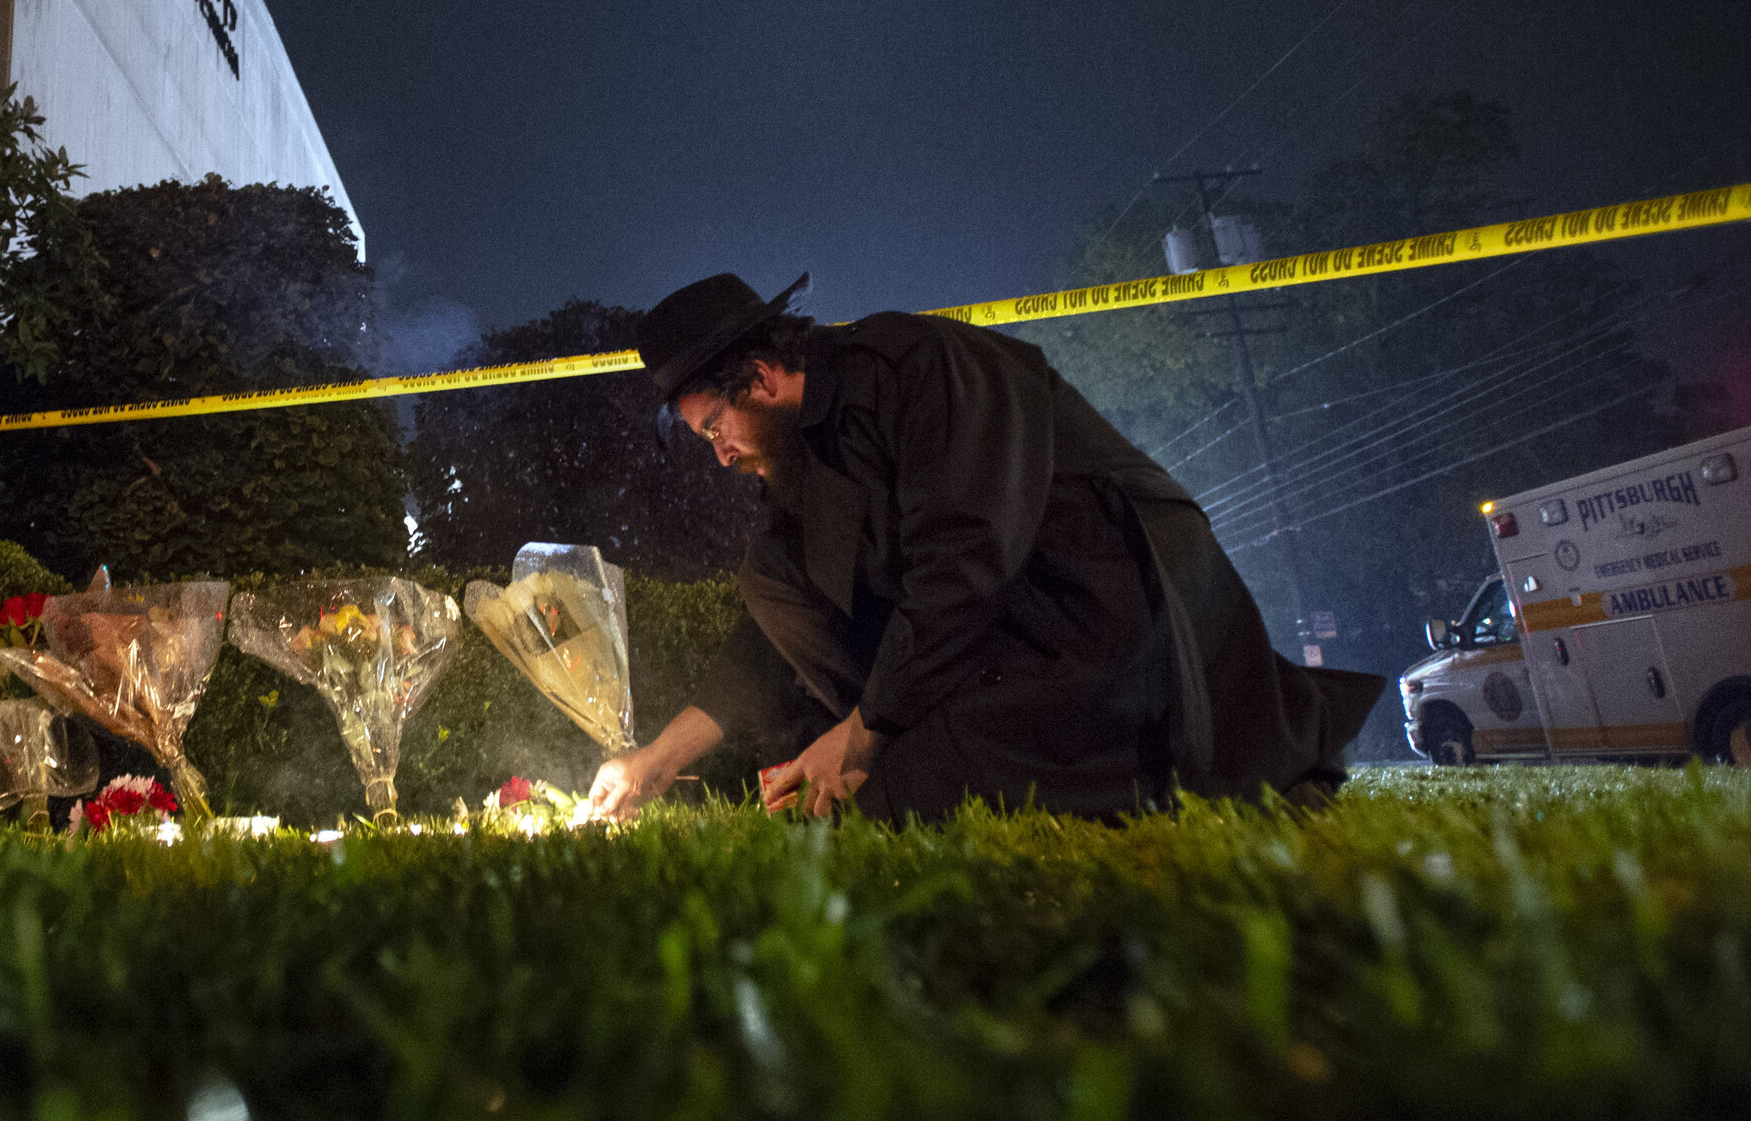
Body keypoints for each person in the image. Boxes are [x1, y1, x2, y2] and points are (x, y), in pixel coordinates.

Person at [588, 273, 1385, 822]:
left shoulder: (916, 369)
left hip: (1106, 617)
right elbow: (769, 638)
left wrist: (863, 733)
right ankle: (928, 751)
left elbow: (965, 563)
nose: (720, 455)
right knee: (771, 578)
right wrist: (655, 759)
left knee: (893, 794)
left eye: (714, 430)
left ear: (759, 377)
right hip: (994, 656)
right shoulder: (804, 462)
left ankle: (990, 757)